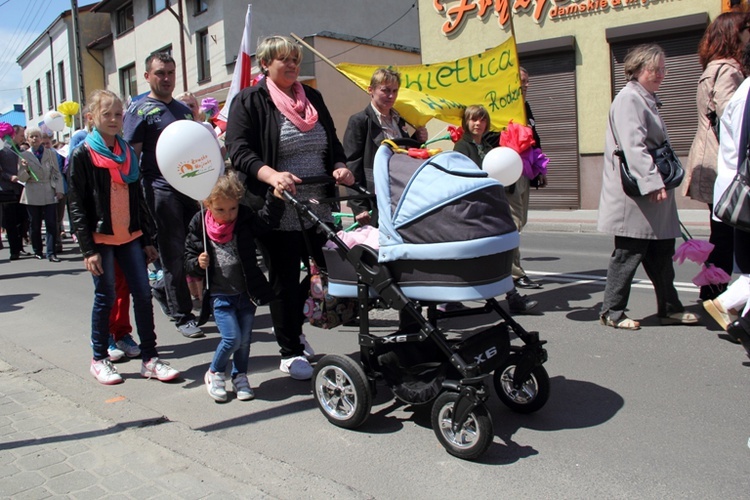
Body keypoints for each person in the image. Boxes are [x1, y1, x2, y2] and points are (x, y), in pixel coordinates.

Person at [226, 35, 355, 380]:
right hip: (279, 206)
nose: (293, 65)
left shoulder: (311, 97)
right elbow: (238, 151)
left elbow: (333, 141)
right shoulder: (250, 101)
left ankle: (294, 325)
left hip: (320, 203)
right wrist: (272, 177)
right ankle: (289, 350)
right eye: (284, 59)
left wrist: (340, 166)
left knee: (326, 272)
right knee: (284, 277)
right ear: (265, 64)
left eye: (296, 59)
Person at [68, 89, 180, 385]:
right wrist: (87, 248)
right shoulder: (83, 154)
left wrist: (146, 238)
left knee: (143, 295)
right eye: (107, 114)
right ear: (91, 118)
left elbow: (138, 197)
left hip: (130, 236)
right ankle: (99, 358)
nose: (115, 119)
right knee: (105, 298)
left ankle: (150, 358)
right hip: (101, 238)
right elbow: (76, 203)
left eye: (118, 114)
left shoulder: (127, 152)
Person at [597, 44, 700, 330]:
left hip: (650, 192)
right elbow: (633, 146)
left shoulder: (645, 98)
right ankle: (612, 312)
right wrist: (652, 182)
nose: (661, 74)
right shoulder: (630, 99)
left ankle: (669, 307)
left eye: (663, 69)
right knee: (629, 252)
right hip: (637, 194)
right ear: (638, 69)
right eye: (655, 69)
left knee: (661, 251)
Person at [123, 52, 203, 339]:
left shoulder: (183, 110)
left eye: (170, 72)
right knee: (173, 254)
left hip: (189, 187)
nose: (166, 78)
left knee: (196, 247)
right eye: (160, 73)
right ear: (147, 76)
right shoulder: (139, 111)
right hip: (159, 189)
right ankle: (183, 315)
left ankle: (163, 289)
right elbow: (131, 157)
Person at [185, 171, 284, 401]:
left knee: (245, 341)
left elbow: (267, 221)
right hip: (220, 295)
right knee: (232, 339)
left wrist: (276, 198)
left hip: (246, 294)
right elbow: (188, 260)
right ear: (207, 204)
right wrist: (198, 264)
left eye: (233, 208)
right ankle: (215, 372)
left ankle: (240, 376)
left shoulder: (244, 219)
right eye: (220, 209)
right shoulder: (199, 224)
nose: (228, 215)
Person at [686, 12, 750, 301]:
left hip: (713, 160)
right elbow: (731, 116)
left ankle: (713, 292)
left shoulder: (712, 67)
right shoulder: (728, 70)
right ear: (733, 34)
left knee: (722, 233)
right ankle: (718, 296)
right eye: (746, 28)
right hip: (725, 161)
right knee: (727, 233)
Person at [453, 104, 538, 314]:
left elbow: (500, 172)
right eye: (473, 119)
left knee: (499, 253)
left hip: (489, 208)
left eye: (482, 120)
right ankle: (450, 299)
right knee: (480, 256)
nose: (477, 124)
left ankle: (513, 298)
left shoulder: (491, 149)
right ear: (466, 122)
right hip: (472, 210)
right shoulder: (462, 147)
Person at [704, 44, 750, 357]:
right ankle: (724, 302)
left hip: (736, 188)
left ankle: (728, 304)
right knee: (727, 252)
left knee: (733, 256)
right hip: (741, 189)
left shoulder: (741, 89)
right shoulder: (736, 85)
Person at [343, 67, 427, 227]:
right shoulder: (359, 121)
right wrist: (358, 206)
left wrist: (417, 139)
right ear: (371, 90)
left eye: (395, 91)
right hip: (374, 199)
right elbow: (352, 165)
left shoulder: (400, 120)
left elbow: (405, 154)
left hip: (402, 195)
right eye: (385, 90)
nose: (391, 96)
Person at [506, 67, 546, 290]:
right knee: (513, 223)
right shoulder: (503, 109)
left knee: (521, 222)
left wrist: (540, 170)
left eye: (528, 81)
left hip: (525, 171)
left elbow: (534, 139)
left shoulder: (526, 107)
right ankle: (514, 273)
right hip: (509, 172)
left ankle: (509, 269)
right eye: (522, 81)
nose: (526, 85)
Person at [18, 126, 64, 262]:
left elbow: (56, 173)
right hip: (32, 193)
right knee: (35, 224)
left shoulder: (50, 153)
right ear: (27, 139)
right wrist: (25, 169)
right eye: (31, 137)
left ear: (41, 138)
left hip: (48, 191)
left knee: (51, 223)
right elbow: (21, 178)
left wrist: (59, 190)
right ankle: (38, 250)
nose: (34, 139)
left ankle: (51, 252)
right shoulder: (24, 155)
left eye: (36, 136)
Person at [0, 126, 28, 261]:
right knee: (11, 222)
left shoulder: (20, 150)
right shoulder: (2, 150)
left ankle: (20, 247)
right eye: (21, 135)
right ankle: (14, 250)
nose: (23, 138)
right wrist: (9, 177)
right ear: (13, 135)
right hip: (7, 190)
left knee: (22, 219)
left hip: (21, 188)